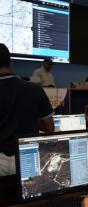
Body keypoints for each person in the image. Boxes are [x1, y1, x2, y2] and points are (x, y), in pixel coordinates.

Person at [0, 43, 54, 176]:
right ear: (11, 62)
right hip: (28, 158)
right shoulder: (35, 89)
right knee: (33, 194)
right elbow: (49, 128)